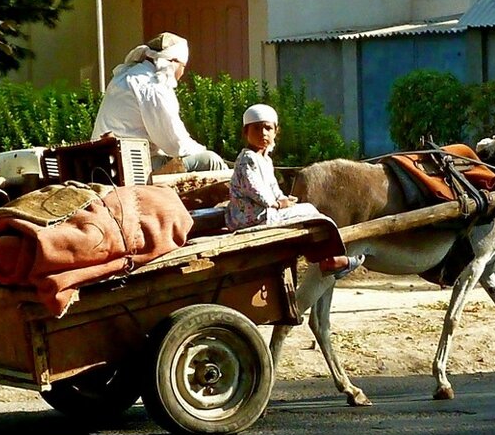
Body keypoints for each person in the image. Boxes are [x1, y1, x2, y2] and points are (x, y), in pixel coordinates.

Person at [225, 103, 363, 279]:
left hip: (263, 212)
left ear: (276, 132)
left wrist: (284, 199)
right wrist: (277, 204)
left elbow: (272, 187)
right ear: (246, 132)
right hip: (252, 217)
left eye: (268, 128)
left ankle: (327, 258)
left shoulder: (264, 159)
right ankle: (331, 260)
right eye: (257, 128)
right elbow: (255, 190)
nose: (263, 133)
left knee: (306, 211)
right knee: (313, 214)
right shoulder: (247, 159)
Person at [91, 32, 228, 172]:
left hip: (104, 161)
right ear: (173, 62)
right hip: (130, 168)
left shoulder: (124, 76)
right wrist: (204, 152)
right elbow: (175, 144)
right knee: (211, 161)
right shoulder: (153, 86)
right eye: (183, 67)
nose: (182, 73)